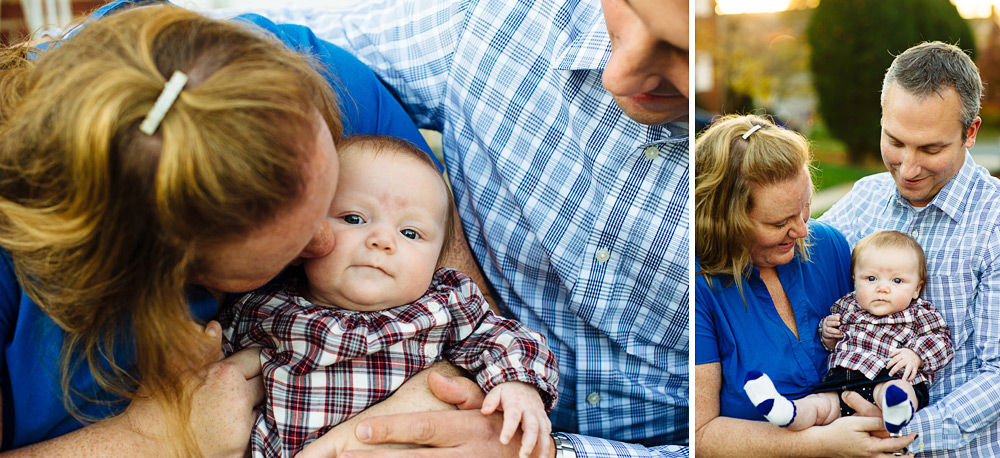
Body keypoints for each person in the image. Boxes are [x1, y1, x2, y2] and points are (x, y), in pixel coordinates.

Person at [209, 0, 690, 456]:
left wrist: (534, 422)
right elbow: (225, 45)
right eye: (629, 8)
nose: (618, 74)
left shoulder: (447, 304)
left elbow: (507, 342)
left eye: (683, 50)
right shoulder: (502, 25)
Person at [0, 2, 442, 455]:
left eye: (335, 200)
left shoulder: (284, 74)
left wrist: (428, 395)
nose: (328, 241)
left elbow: (441, 253)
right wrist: (149, 441)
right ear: (161, 268)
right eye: (281, 253)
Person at [222, 135, 559, 458]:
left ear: (437, 261)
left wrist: (519, 387)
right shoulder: (262, 309)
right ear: (306, 234)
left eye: (410, 232)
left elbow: (509, 339)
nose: (382, 240)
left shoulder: (445, 305)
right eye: (354, 218)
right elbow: (210, 379)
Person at [694, 114, 917, 457]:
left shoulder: (827, 246)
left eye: (805, 208)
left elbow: (874, 337)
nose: (801, 231)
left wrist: (877, 413)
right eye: (779, 222)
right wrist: (823, 444)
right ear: (726, 222)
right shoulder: (699, 287)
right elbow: (700, 434)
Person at [820, 41, 1000, 456]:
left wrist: (901, 435)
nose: (909, 167)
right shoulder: (863, 199)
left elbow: (997, 372)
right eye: (895, 142)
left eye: (931, 148)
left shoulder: (993, 224)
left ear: (970, 132)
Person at [746, 230, 953, 434]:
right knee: (819, 405)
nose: (882, 288)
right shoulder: (846, 305)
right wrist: (826, 334)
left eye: (896, 281)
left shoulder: (918, 312)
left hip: (888, 375)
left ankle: (896, 412)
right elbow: (831, 344)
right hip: (843, 381)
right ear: (855, 280)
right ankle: (785, 411)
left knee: (898, 390)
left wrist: (915, 355)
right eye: (871, 278)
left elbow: (942, 341)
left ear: (917, 289)